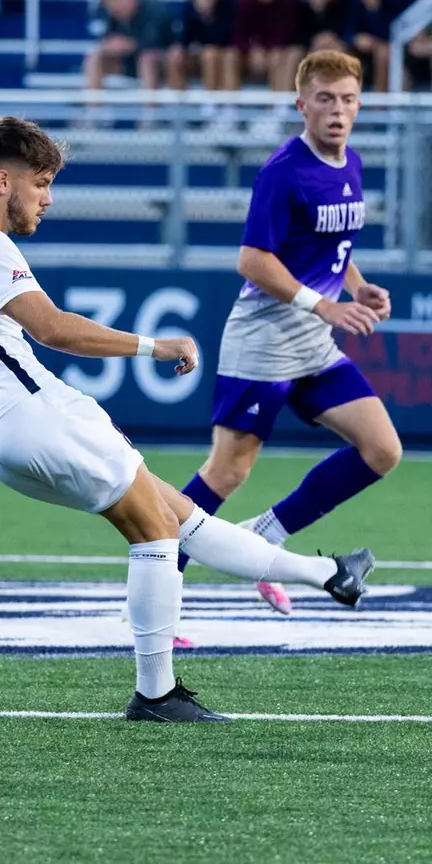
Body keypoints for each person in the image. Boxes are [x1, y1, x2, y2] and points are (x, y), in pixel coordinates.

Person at [0, 116, 374, 722]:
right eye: (41, 184)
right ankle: (157, 694)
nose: (48, 198)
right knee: (156, 533)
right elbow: (53, 327)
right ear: (3, 181)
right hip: (33, 414)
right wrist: (154, 346)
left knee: (177, 514)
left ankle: (328, 574)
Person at [177, 50, 400, 615]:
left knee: (381, 449)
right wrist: (323, 306)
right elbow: (253, 260)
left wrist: (357, 287)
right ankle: (156, 580)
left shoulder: (351, 163)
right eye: (324, 99)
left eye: (348, 99)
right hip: (265, 339)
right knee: (228, 469)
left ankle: (264, 537)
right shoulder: (283, 171)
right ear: (301, 104)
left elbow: (329, 246)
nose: (337, 110)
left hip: (312, 342)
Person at [167, 0, 238, 102]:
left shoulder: (230, 3)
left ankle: (210, 105)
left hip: (223, 53)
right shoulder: (189, 6)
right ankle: (178, 107)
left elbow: (228, 37)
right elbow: (184, 38)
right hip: (196, 54)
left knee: (210, 55)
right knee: (174, 56)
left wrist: (208, 15)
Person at [83, 0, 168, 95]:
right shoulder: (114, 15)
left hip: (159, 63)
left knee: (147, 60)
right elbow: (109, 37)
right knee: (94, 58)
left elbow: (156, 41)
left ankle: (149, 110)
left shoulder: (153, 8)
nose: (117, 12)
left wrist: (129, 45)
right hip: (129, 62)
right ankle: (93, 107)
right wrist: (109, 46)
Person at [232, 0, 302, 96]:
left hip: (280, 51)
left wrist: (270, 50)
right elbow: (238, 34)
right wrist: (252, 49)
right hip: (254, 54)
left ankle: (278, 105)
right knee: (231, 56)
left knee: (285, 56)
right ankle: (228, 107)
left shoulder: (289, 2)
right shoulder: (245, 4)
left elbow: (289, 33)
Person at [344, 0, 405, 92]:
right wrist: (356, 38)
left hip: (397, 55)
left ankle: (380, 103)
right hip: (364, 55)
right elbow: (348, 29)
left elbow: (395, 32)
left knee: (384, 51)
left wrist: (374, 7)